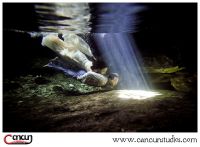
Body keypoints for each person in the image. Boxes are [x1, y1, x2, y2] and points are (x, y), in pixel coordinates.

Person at [42, 33, 119, 88]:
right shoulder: (103, 77)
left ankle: (55, 60)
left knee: (68, 52)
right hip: (83, 61)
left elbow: (93, 71)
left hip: (83, 61)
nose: (115, 83)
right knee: (67, 52)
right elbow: (91, 72)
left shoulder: (103, 76)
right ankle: (54, 60)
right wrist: (85, 75)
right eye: (115, 81)